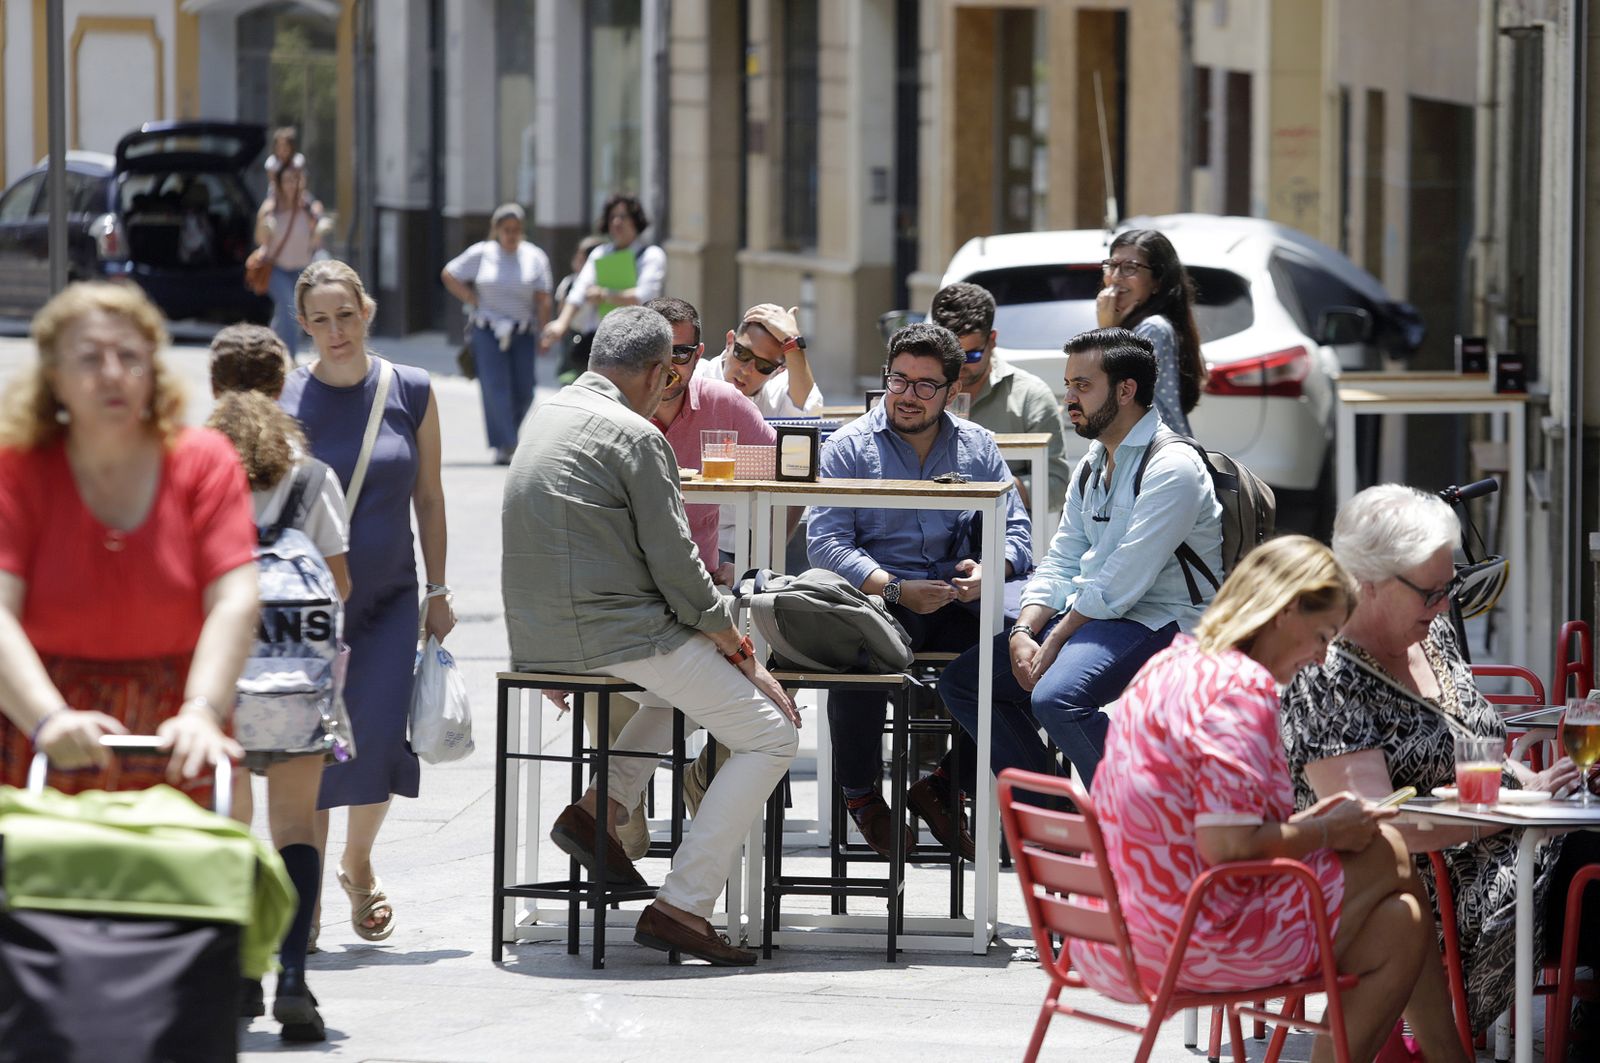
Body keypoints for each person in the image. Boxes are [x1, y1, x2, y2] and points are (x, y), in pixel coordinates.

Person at [1074, 535, 1469, 1063]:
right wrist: (1328, 832)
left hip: (1112, 929)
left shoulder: (1169, 666)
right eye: (1324, 634)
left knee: (1401, 922)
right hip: (1183, 939)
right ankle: (1450, 1056)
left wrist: (1316, 823)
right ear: (1284, 611)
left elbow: (1205, 824)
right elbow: (1227, 846)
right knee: (1386, 853)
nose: (1322, 656)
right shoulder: (1242, 688)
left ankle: (1449, 1058)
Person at [503, 306, 800, 967]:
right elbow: (682, 573)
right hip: (611, 633)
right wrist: (744, 653)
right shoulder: (637, 436)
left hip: (541, 634)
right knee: (772, 732)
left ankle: (601, 804)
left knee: (689, 692)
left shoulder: (545, 416)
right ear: (658, 372)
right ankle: (683, 905)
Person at [1281, 484, 1599, 1035]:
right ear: (1369, 582)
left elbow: (1474, 753)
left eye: (1448, 587)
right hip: (1434, 894)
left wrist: (1534, 781)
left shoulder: (1432, 637)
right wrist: (1503, 815)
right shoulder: (1324, 674)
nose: (1446, 604)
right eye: (1431, 592)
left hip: (1514, 853)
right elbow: (1374, 827)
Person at [0, 282, 256, 801]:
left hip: (177, 733)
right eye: (90, 359)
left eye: (130, 357)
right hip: (43, 731)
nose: (113, 373)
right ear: (56, 379)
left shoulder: (205, 461)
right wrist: (47, 718)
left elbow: (235, 597)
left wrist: (202, 711)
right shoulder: (17, 467)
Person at [938, 328, 1222, 790]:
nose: (1069, 398)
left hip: (1165, 620)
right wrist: (1024, 630)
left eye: (1083, 387)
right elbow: (1062, 557)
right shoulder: (1093, 462)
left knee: (1057, 698)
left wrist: (1052, 642)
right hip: (1095, 616)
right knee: (965, 683)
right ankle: (1059, 824)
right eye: (1069, 385)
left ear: (1126, 390)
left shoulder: (1174, 467)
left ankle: (1147, 810)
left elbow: (1122, 582)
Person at [807, 323, 1031, 861]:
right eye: (899, 380)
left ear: (953, 391)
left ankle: (945, 786)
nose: (908, 395)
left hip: (956, 598)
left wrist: (990, 568)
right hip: (883, 596)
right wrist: (895, 589)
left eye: (926, 386)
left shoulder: (977, 446)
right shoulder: (848, 446)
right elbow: (825, 543)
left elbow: (1018, 532)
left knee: (1022, 655)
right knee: (857, 653)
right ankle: (862, 797)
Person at [280, 259, 456, 945]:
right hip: (310, 607)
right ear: (302, 324)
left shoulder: (410, 389)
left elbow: (431, 498)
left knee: (378, 740)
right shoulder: (287, 399)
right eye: (319, 320)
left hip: (388, 599)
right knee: (314, 751)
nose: (335, 331)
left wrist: (438, 591)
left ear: (367, 312)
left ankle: (357, 859)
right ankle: (313, 895)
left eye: (345, 315)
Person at [207, 324, 349, 1041]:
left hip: (219, 679)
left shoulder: (190, 466)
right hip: (296, 681)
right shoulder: (310, 474)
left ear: (212, 386)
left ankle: (237, 976)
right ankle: (294, 972)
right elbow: (340, 580)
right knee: (296, 828)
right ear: (281, 385)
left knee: (228, 830)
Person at [930, 281, 1071, 515]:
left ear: (992, 340)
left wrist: (984, 487)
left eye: (972, 354)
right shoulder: (919, 391)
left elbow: (1056, 488)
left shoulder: (1029, 395)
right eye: (950, 355)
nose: (961, 364)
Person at [441, 203, 554, 464]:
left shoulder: (534, 256)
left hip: (522, 330)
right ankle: (507, 444)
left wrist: (544, 332)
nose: (512, 235)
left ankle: (509, 434)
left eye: (516, 230)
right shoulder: (482, 253)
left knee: (526, 389)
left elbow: (543, 297)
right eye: (506, 230)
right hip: (487, 330)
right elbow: (449, 273)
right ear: (496, 230)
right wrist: (469, 297)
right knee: (495, 387)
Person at [1094, 228, 1206, 437]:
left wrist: (1107, 332)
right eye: (1112, 266)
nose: (1116, 277)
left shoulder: (1153, 329)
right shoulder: (1131, 328)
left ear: (1157, 281)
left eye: (1130, 268)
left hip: (1155, 457)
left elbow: (1117, 396)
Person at [540, 194, 666, 377]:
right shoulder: (600, 254)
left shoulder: (652, 255)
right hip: (603, 341)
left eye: (623, 217)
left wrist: (606, 295)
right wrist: (561, 323)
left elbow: (644, 295)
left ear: (636, 221)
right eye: (612, 217)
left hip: (640, 342)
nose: (617, 222)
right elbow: (579, 291)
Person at [693, 302, 823, 418]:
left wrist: (793, 341)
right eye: (743, 353)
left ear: (779, 369)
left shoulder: (778, 391)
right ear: (730, 341)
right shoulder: (694, 377)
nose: (746, 370)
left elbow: (807, 411)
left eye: (763, 366)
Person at [254, 164, 324, 357]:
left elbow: (317, 238)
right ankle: (290, 360)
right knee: (291, 309)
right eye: (287, 180)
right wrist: (265, 225)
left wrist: (318, 225)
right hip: (276, 268)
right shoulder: (271, 206)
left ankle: (269, 352)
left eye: (295, 179)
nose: (291, 184)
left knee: (284, 316)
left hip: (301, 268)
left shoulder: (308, 205)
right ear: (279, 183)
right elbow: (259, 238)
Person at [549, 235, 606, 385]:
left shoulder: (599, 286)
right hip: (572, 337)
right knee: (568, 377)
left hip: (592, 339)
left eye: (582, 258)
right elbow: (562, 308)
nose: (576, 260)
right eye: (577, 255)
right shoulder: (569, 283)